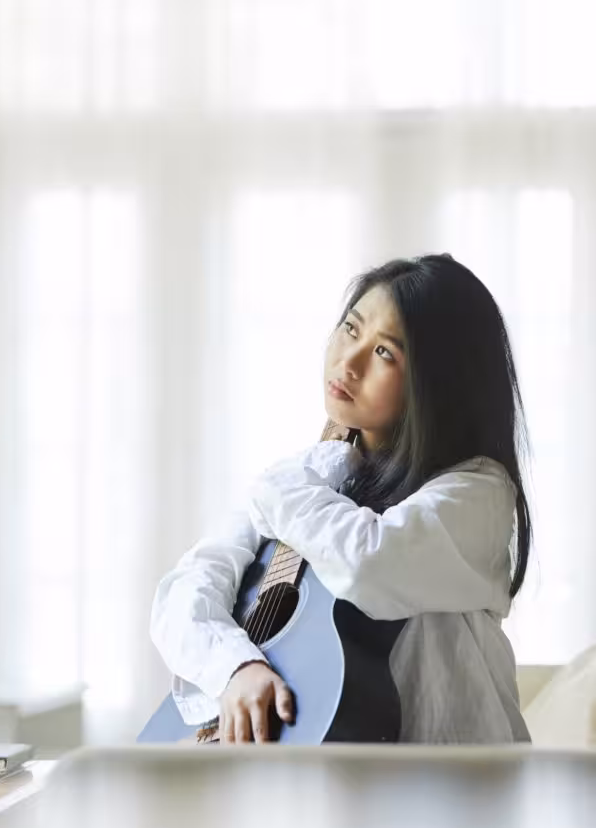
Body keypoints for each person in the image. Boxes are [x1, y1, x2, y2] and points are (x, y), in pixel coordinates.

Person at [150, 253, 532, 744]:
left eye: (385, 353)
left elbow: (369, 561)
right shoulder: (312, 475)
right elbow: (185, 591)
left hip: (453, 772)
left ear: (440, 383)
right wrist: (237, 667)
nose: (348, 363)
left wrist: (283, 485)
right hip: (334, 767)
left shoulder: (478, 491)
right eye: (351, 329)